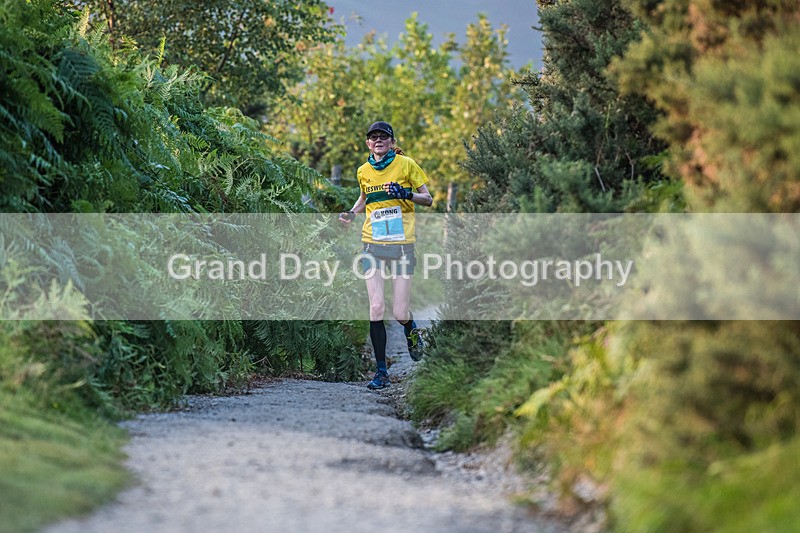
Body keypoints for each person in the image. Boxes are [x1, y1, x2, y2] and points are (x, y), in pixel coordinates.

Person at [339, 121, 433, 389]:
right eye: (373, 137)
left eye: (383, 136)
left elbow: (428, 199)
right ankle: (381, 373)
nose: (378, 140)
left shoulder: (406, 165)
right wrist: (351, 213)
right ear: (368, 143)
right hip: (372, 245)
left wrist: (406, 194)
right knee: (376, 307)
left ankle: (410, 327)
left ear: (392, 142)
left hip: (402, 246)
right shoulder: (363, 171)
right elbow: (364, 198)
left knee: (399, 311)